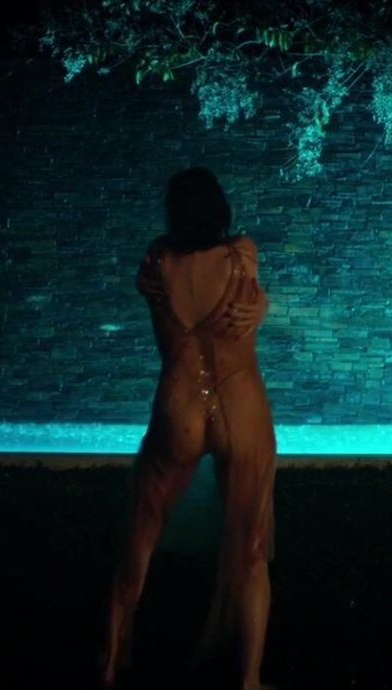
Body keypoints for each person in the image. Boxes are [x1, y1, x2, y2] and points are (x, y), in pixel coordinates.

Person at [99, 167, 277, 690]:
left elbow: (155, 286)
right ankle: (248, 678)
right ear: (220, 208)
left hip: (178, 408)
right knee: (251, 548)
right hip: (240, 407)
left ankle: (108, 664)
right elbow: (251, 298)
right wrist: (262, 304)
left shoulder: (158, 263)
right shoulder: (242, 254)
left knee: (140, 535)